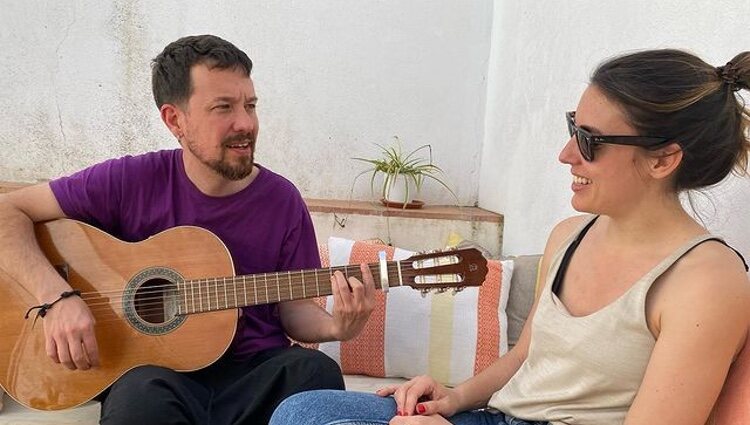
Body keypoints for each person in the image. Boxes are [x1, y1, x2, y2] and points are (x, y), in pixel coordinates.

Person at [269, 49, 750, 425]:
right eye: (572, 128)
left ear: (663, 159)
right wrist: (452, 397)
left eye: (590, 141)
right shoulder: (570, 236)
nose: (566, 155)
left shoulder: (706, 281)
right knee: (303, 412)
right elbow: (524, 355)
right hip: (500, 417)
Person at [0, 34, 376, 425]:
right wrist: (56, 298)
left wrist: (337, 326)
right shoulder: (130, 180)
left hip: (254, 372)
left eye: (250, 105)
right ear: (174, 119)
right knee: (140, 399)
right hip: (156, 375)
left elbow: (293, 310)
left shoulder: (282, 200)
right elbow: (7, 211)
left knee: (316, 375)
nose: (245, 123)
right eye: (223, 107)